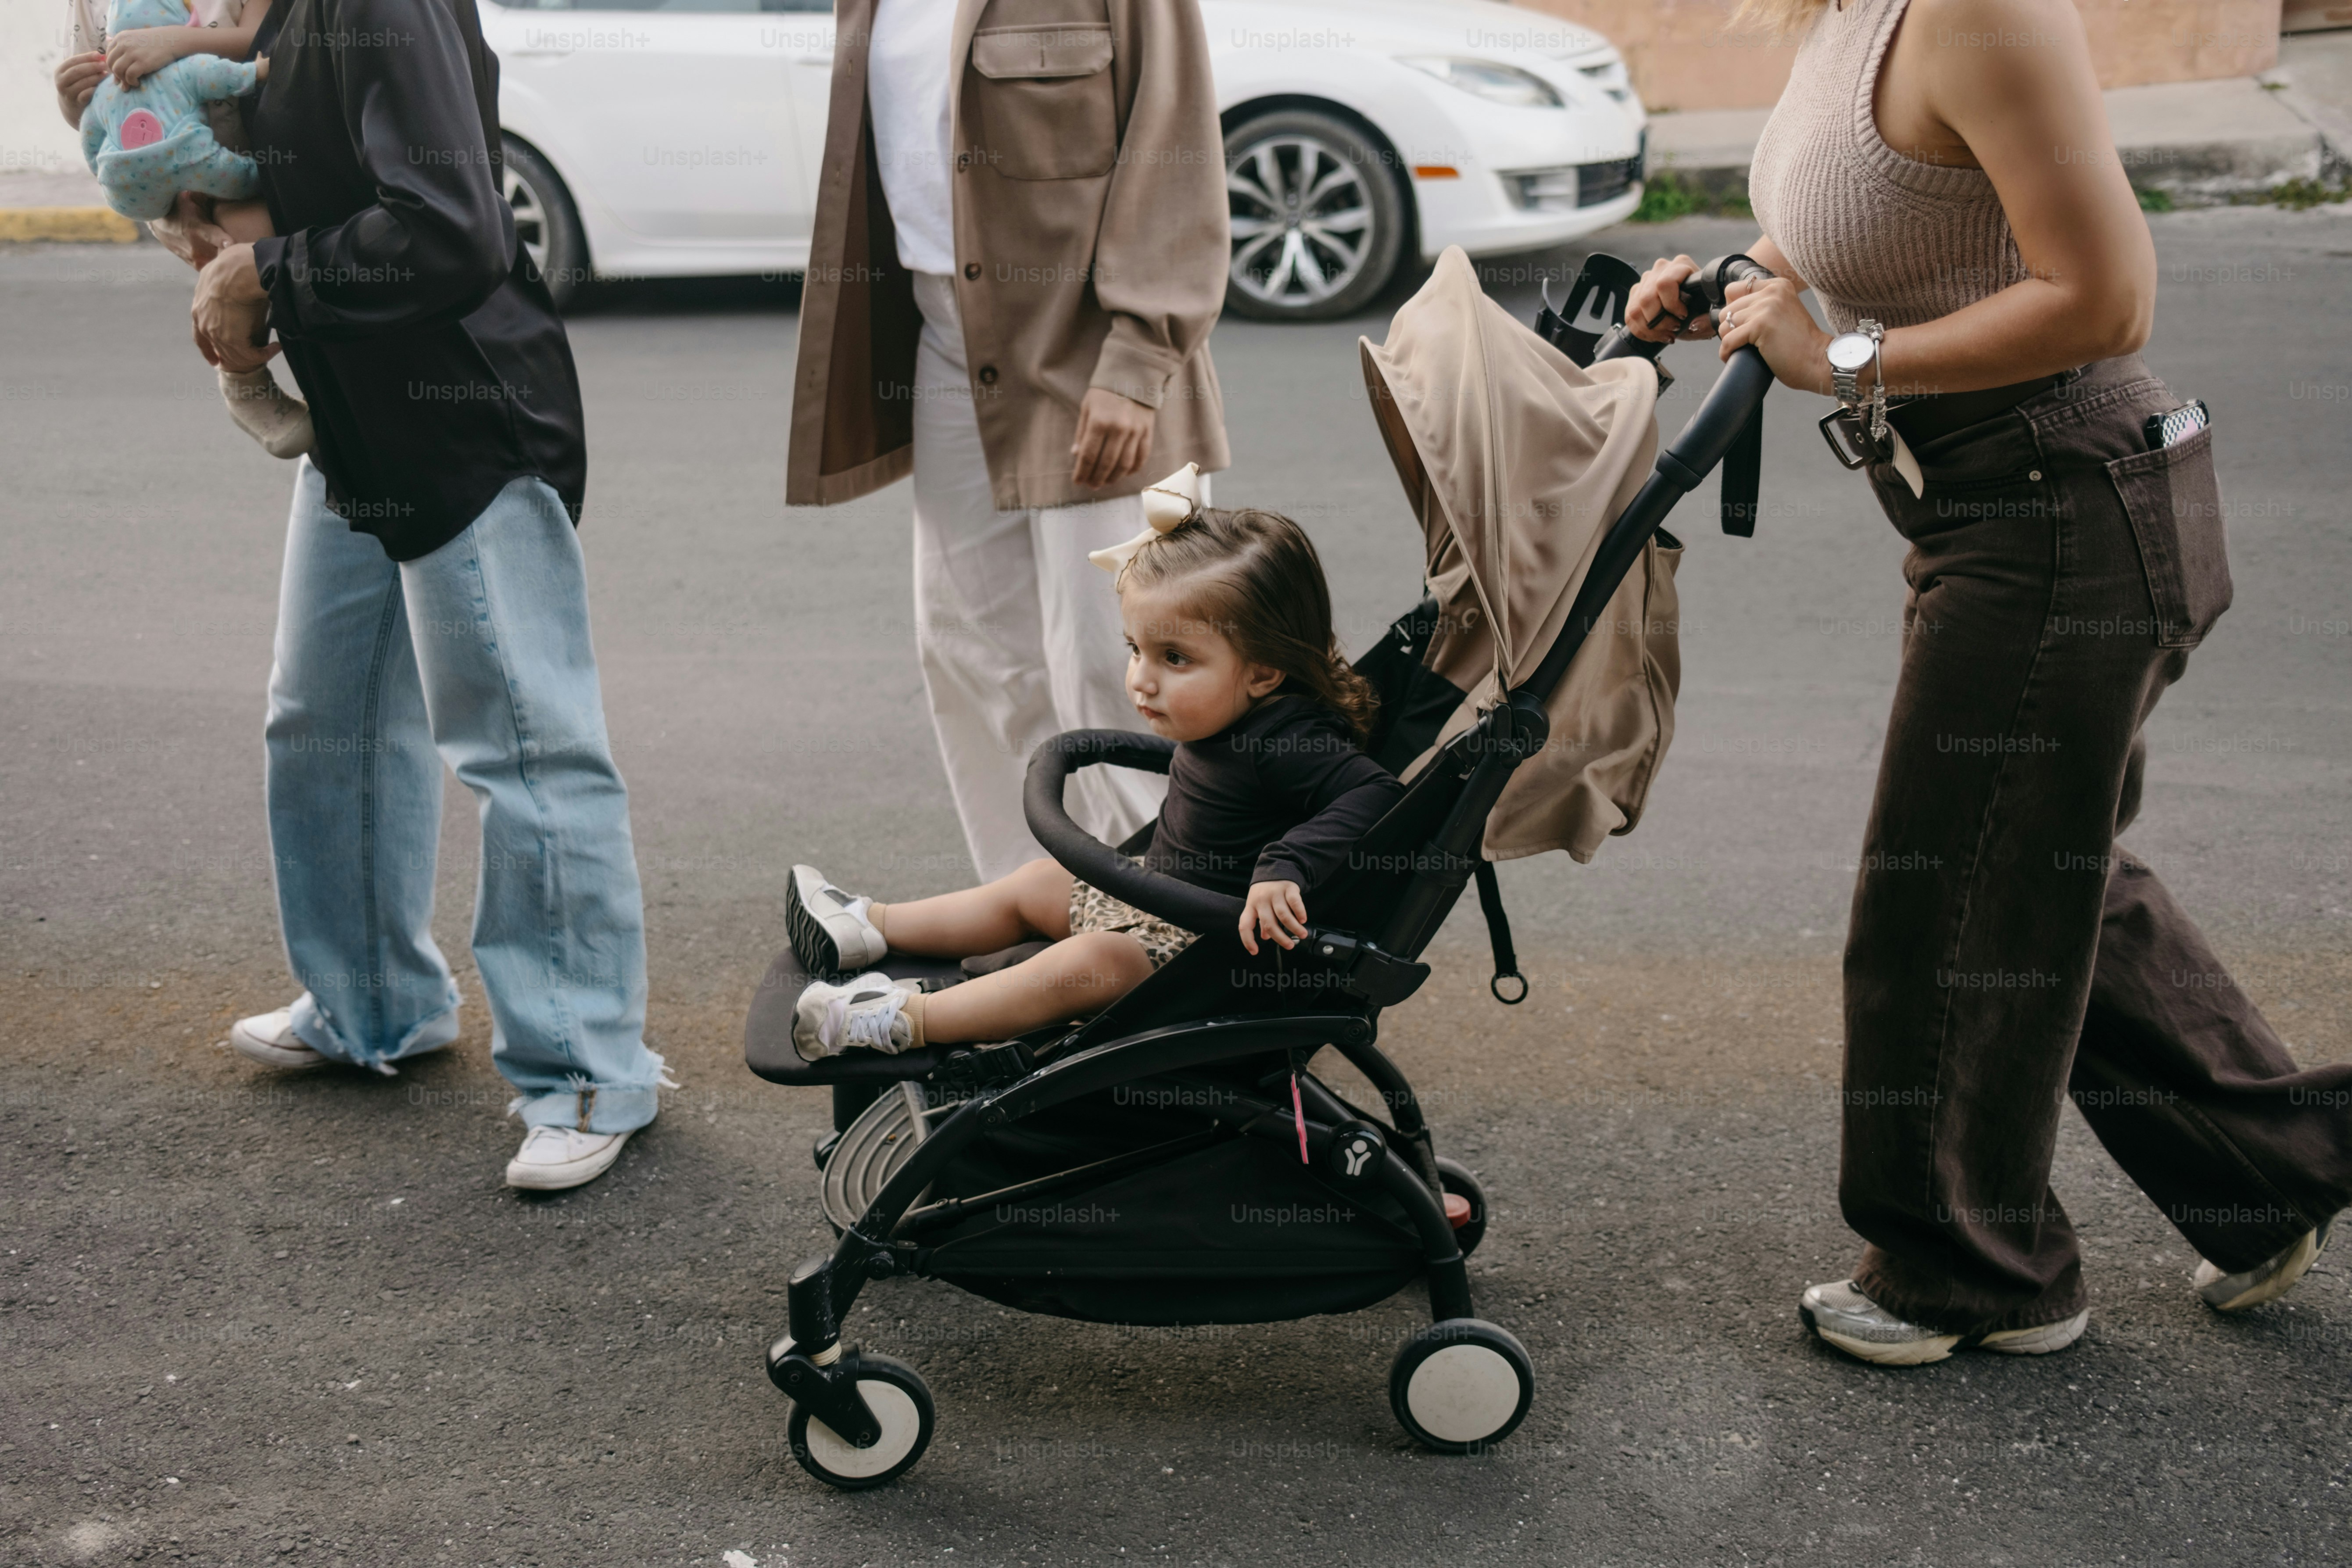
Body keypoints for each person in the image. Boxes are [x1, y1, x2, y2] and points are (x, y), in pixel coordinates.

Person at [1626, 0, 2352, 1363]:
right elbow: (1859, 222)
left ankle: (1974, 1273)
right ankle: (2271, 1166)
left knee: (1943, 897)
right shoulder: (1848, 18)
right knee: (2030, 861)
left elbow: (2104, 296)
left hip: (2063, 511)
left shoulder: (1984, 12)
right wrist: (1734, 280)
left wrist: (1838, 358)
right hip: (1991, 507)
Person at [151, 0, 672, 1190]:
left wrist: (270, 268)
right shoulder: (279, 16)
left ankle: (590, 1068)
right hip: (355, 416)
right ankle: (373, 1004)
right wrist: (223, 225)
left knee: (525, 749)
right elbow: (334, 184)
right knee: (321, 716)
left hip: (464, 420)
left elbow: (450, 229)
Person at [785, 0, 1232, 884]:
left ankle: (1166, 924)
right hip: (947, 340)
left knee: (1123, 664)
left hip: (1090, 348)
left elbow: (1173, 136)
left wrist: (1137, 358)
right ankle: (1033, 905)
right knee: (973, 652)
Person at [783, 477, 1402, 1057]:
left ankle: (895, 1021)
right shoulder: (1233, 715)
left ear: (1264, 671)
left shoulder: (1291, 740)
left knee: (1088, 965)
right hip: (1161, 899)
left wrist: (1284, 866)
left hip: (1203, 958)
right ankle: (869, 925)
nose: (1141, 678)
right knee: (1036, 883)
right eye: (1137, 649)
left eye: (1175, 658)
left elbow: (1377, 794)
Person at [53, 0, 312, 456]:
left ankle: (287, 379)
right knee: (231, 254)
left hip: (243, 170)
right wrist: (70, 96)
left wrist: (172, 43)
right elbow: (94, 107)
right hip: (165, 174)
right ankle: (244, 381)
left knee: (248, 247)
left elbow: (263, 41)